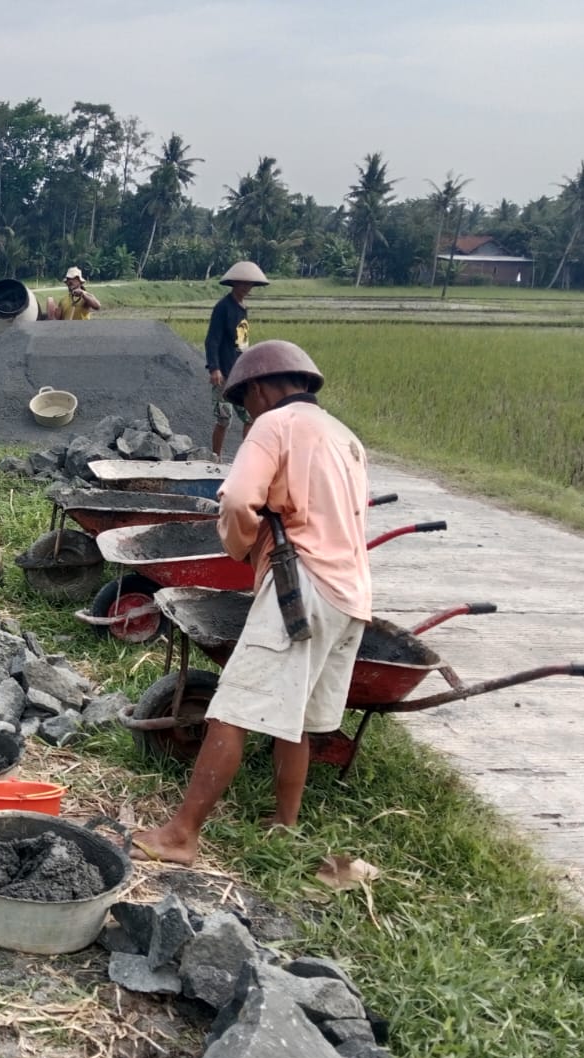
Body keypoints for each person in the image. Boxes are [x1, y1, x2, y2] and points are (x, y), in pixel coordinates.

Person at [131, 340, 371, 866]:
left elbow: (239, 499)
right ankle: (285, 824)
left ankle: (180, 836)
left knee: (232, 709)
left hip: (300, 585)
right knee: (299, 719)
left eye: (245, 405)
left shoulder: (274, 426)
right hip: (351, 594)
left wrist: (240, 547)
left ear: (259, 390)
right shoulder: (344, 437)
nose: (247, 416)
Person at [205, 260, 269, 459]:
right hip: (224, 372)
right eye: (241, 283)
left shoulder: (243, 308)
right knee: (224, 418)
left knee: (250, 416)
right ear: (234, 284)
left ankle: (245, 458)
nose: (245, 287)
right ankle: (216, 457)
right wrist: (214, 369)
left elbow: (242, 343)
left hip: (241, 373)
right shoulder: (223, 307)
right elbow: (212, 340)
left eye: (248, 284)